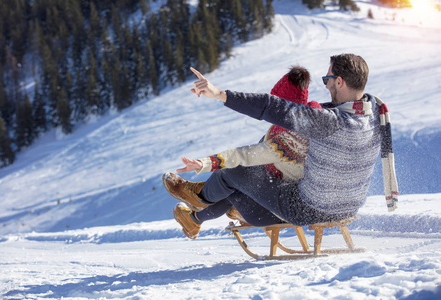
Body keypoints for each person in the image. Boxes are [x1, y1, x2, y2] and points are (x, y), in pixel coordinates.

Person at [164, 53, 399, 240]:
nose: (326, 85)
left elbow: (273, 107)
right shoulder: (374, 112)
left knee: (236, 172)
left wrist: (219, 94)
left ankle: (198, 197)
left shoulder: (328, 121)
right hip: (349, 207)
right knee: (253, 178)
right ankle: (195, 218)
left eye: (327, 79)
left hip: (308, 208)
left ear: (340, 81)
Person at [164, 66, 321, 239]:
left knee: (235, 176)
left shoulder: (289, 138)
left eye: (275, 103)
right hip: (285, 198)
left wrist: (205, 164)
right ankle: (195, 217)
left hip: (279, 209)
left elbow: (245, 156)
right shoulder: (311, 123)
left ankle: (198, 198)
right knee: (240, 178)